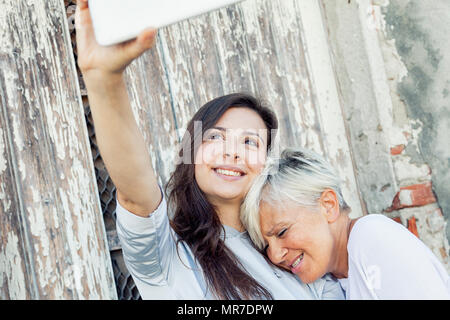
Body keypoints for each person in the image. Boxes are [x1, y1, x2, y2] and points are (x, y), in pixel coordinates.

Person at [75, 0, 344, 300]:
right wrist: (104, 81)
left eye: (250, 142)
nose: (232, 153)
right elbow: (135, 196)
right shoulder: (170, 257)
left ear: (266, 162)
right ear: (190, 152)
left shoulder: (291, 251)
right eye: (215, 138)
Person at [241, 147, 450, 299]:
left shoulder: (372, 237)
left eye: (282, 231)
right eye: (266, 245)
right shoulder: (336, 280)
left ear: (328, 205)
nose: (275, 255)